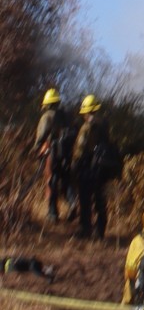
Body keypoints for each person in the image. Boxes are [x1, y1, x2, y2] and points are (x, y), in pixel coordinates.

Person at [71, 94, 116, 241]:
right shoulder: (105, 124)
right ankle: (100, 231)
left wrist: (74, 166)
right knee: (100, 200)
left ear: (86, 112)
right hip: (103, 167)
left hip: (88, 167)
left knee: (85, 200)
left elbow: (80, 148)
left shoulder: (87, 127)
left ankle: (85, 230)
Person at [34, 88, 72, 223]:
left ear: (48, 104)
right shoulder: (66, 115)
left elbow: (41, 136)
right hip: (67, 153)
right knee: (66, 182)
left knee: (51, 182)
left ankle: (52, 214)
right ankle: (72, 204)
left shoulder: (47, 116)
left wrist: (36, 149)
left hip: (53, 153)